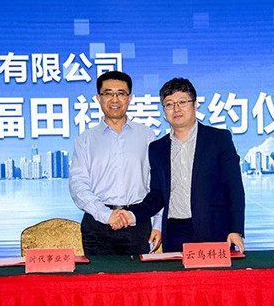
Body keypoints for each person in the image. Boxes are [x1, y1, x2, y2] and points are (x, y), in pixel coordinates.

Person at [116, 77, 245, 253]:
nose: (176, 109)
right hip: (174, 232)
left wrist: (236, 230)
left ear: (195, 105)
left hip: (214, 230)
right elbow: (157, 196)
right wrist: (132, 215)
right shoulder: (157, 148)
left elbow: (234, 189)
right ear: (164, 111)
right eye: (169, 104)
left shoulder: (218, 139)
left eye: (182, 102)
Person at [69, 71, 162, 255]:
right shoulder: (85, 140)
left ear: (130, 98)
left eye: (121, 93)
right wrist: (106, 215)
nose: (115, 99)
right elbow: (77, 185)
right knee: (97, 274)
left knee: (137, 274)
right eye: (108, 93)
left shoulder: (147, 136)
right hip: (97, 225)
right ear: (98, 98)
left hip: (137, 222)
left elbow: (157, 184)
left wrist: (158, 223)